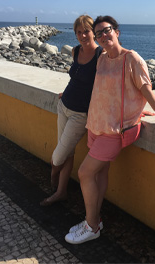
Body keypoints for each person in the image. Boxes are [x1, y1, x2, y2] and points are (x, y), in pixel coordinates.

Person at [65, 15, 155, 244]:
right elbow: (106, 91)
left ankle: (91, 226)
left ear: (116, 32)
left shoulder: (132, 59)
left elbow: (146, 91)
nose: (103, 36)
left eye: (106, 30)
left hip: (114, 130)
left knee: (84, 173)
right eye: (98, 34)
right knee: (99, 173)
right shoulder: (102, 59)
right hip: (96, 124)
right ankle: (94, 218)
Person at [41, 15, 103, 206]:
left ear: (94, 32)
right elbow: (75, 77)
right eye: (79, 32)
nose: (83, 35)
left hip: (80, 115)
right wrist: (65, 92)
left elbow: (109, 84)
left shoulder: (101, 55)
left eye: (86, 31)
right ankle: (61, 192)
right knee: (67, 153)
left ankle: (53, 177)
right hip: (64, 105)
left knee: (57, 158)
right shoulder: (76, 51)